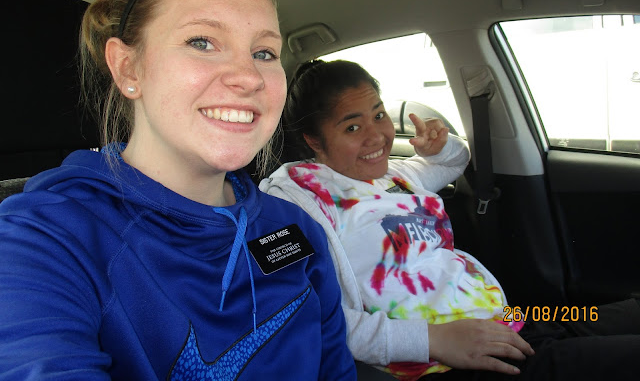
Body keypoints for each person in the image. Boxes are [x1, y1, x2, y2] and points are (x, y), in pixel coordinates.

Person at [0, 0, 356, 380]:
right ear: (128, 68)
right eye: (202, 42)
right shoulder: (42, 241)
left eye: (263, 52)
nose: (248, 77)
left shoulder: (298, 230)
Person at [260, 59, 640, 381]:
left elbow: (454, 161)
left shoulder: (393, 175)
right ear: (313, 140)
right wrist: (433, 340)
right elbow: (308, 319)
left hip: (509, 318)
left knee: (629, 311)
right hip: (448, 360)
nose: (378, 136)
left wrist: (440, 146)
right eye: (353, 127)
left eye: (379, 115)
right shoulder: (293, 205)